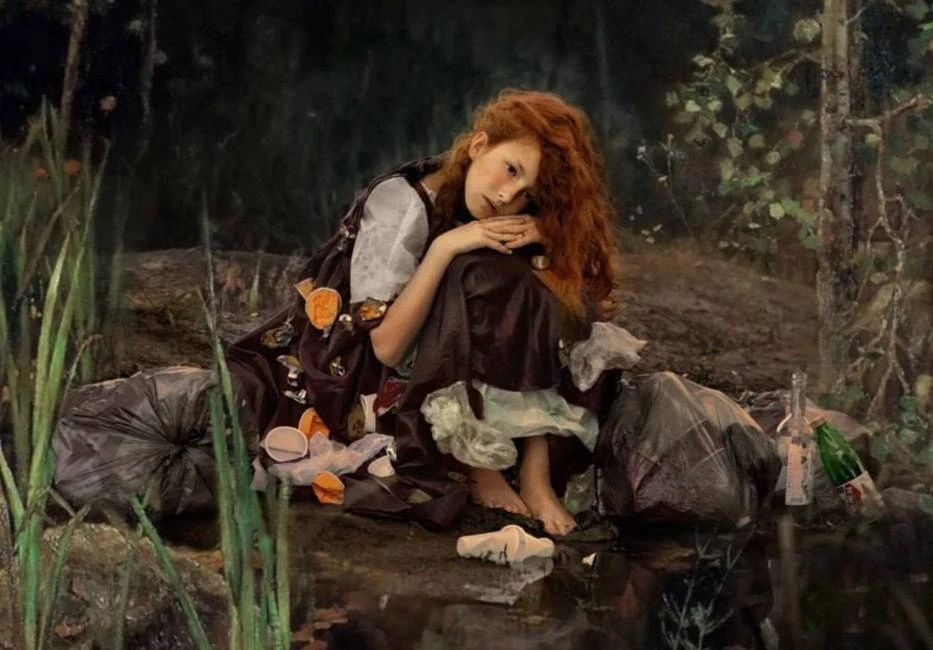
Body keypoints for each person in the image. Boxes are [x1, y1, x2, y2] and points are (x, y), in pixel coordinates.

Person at [227, 89, 618, 537]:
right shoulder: (401, 203)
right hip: (357, 370)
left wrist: (544, 235)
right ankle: (478, 464)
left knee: (519, 277)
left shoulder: (489, 202)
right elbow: (386, 347)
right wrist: (445, 247)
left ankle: (535, 471)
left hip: (436, 360)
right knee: (474, 269)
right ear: (479, 145)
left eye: (526, 195)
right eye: (511, 169)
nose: (506, 194)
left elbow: (580, 308)